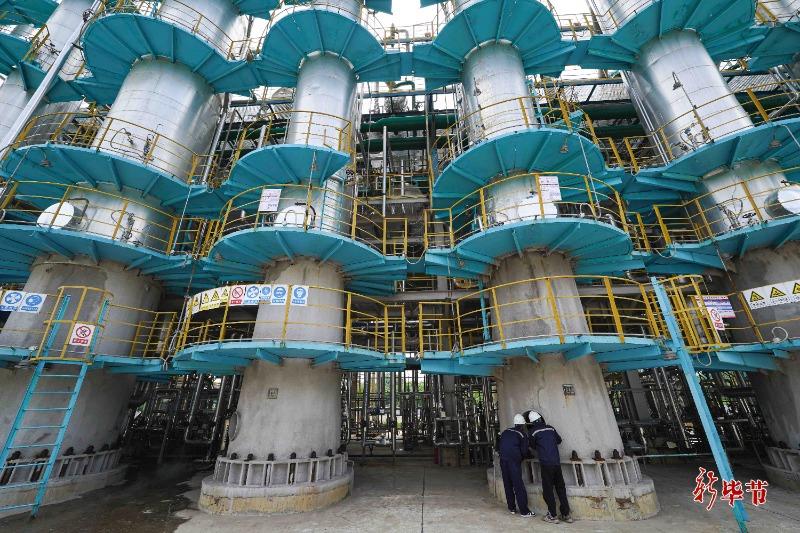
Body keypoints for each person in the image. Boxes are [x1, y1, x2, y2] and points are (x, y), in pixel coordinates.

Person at [525, 410, 574, 524]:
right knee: (560, 488)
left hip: (546, 464)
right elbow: (559, 440)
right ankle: (566, 514)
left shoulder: (532, 432)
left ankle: (552, 515)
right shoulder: (550, 428)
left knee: (548, 490)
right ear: (541, 419)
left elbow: (532, 445)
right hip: (556, 462)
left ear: (531, 422)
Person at [497, 414, 535, 517]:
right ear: (523, 425)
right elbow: (524, 451)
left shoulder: (505, 432)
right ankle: (524, 511)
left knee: (507, 484)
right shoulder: (522, 434)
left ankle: (512, 508)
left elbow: (498, 446)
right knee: (518, 485)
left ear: (515, 423)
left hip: (503, 460)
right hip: (513, 461)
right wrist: (525, 456)